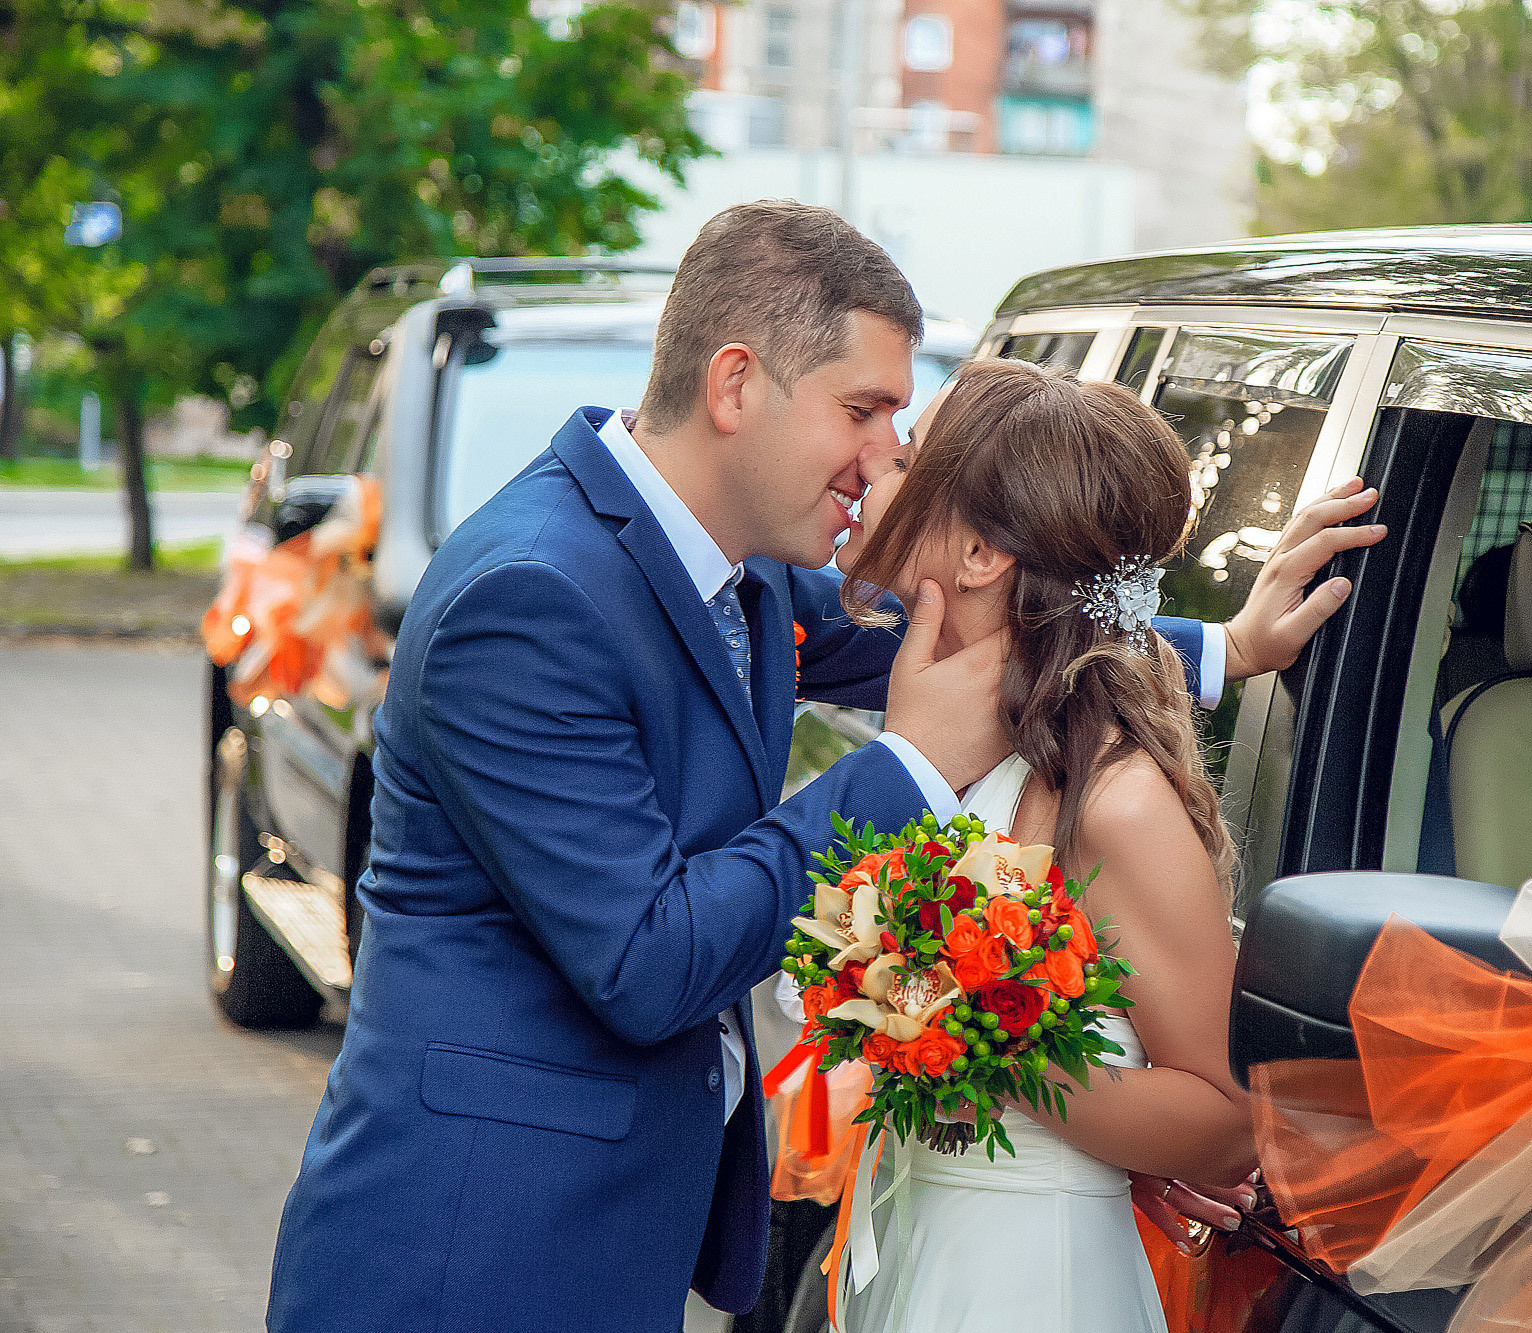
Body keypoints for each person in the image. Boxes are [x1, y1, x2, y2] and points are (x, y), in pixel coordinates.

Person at [266, 200, 1375, 1333]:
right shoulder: (530, 597)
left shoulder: (730, 569)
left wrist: (1221, 646)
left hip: (618, 1236)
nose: (884, 454)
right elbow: (647, 962)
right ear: (736, 384)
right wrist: (903, 768)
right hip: (471, 1250)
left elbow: (993, 632)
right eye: (864, 410)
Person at [824, 357, 1379, 1333]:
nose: (875, 466)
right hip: (924, 1243)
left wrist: (984, 1046)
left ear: (983, 555)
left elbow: (1220, 1120)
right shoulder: (944, 739)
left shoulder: (1114, 803)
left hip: (1029, 1284)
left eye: (908, 456)